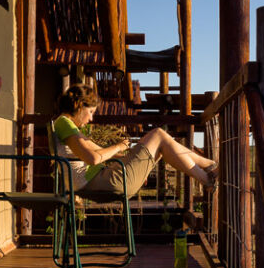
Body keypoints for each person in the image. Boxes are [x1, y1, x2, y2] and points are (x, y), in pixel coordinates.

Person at [49, 84, 215, 199]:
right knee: (158, 134)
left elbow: (98, 153)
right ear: (79, 106)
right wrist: (118, 146)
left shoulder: (70, 128)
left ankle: (209, 169)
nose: (91, 118)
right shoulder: (64, 122)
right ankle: (208, 174)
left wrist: (129, 156)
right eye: (90, 111)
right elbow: (93, 158)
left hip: (103, 181)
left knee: (159, 142)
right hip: (103, 183)